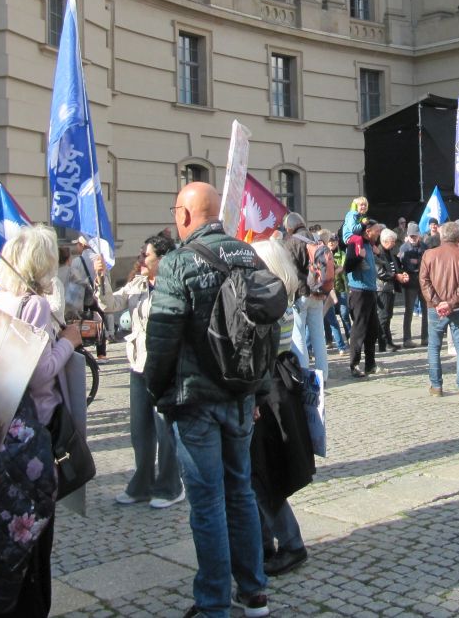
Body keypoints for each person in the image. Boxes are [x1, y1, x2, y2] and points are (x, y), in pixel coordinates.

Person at [145, 182, 271, 618]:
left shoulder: (177, 263)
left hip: (195, 399)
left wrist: (153, 391)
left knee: (208, 503)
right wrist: (259, 389)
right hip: (239, 396)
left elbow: (161, 338)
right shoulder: (248, 254)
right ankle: (254, 592)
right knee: (240, 492)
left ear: (183, 215)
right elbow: (267, 334)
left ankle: (213, 602)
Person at [0, 224, 82, 617]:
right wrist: (69, 341)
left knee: (1, 538)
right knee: (31, 537)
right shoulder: (33, 305)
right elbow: (40, 373)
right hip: (31, 436)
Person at [250, 238, 313, 578]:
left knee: (264, 475)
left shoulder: (271, 303)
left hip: (269, 393)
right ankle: (265, 544)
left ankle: (290, 544)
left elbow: (260, 354)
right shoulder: (282, 296)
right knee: (260, 474)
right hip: (277, 386)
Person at [107, 233, 185, 507]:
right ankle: (141, 484)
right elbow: (109, 304)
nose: (140, 259)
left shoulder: (173, 286)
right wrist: (100, 276)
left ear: (161, 260)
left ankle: (170, 486)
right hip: (138, 364)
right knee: (140, 429)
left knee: (164, 428)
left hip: (163, 367)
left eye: (145, 255)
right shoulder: (137, 284)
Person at [419, 221, 459, 401]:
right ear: (458, 238)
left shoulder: (429, 255)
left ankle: (436, 386)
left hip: (436, 308)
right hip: (457, 307)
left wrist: (438, 303)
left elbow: (424, 281)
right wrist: (449, 303)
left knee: (434, 347)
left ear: (441, 237)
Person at [284, 212, 330, 382]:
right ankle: (323, 375)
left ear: (290, 227)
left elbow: (292, 272)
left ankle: (303, 375)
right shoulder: (315, 238)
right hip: (318, 292)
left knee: (299, 335)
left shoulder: (290, 242)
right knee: (319, 334)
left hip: (301, 294)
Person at [344, 217, 381, 378]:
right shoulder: (355, 244)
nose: (379, 233)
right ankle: (354, 365)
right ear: (368, 231)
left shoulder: (369, 245)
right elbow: (348, 266)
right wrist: (360, 256)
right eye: (377, 231)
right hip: (359, 292)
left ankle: (370, 365)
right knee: (359, 330)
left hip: (371, 291)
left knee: (373, 330)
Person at [373, 227, 404, 353]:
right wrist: (395, 276)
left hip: (389, 287)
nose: (394, 244)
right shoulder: (378, 252)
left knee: (388, 316)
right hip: (382, 288)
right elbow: (380, 272)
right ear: (386, 241)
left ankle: (388, 341)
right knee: (383, 316)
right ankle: (383, 343)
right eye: (392, 241)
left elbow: (394, 268)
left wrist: (400, 274)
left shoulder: (389, 252)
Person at [397, 222, 426, 347]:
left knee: (425, 311)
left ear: (419, 235)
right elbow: (404, 264)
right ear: (408, 236)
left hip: (423, 281)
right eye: (411, 236)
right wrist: (414, 263)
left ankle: (426, 337)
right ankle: (407, 339)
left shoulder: (425, 246)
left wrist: (417, 261)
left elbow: (427, 262)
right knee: (409, 311)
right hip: (410, 282)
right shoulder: (404, 248)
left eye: (415, 236)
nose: (413, 238)